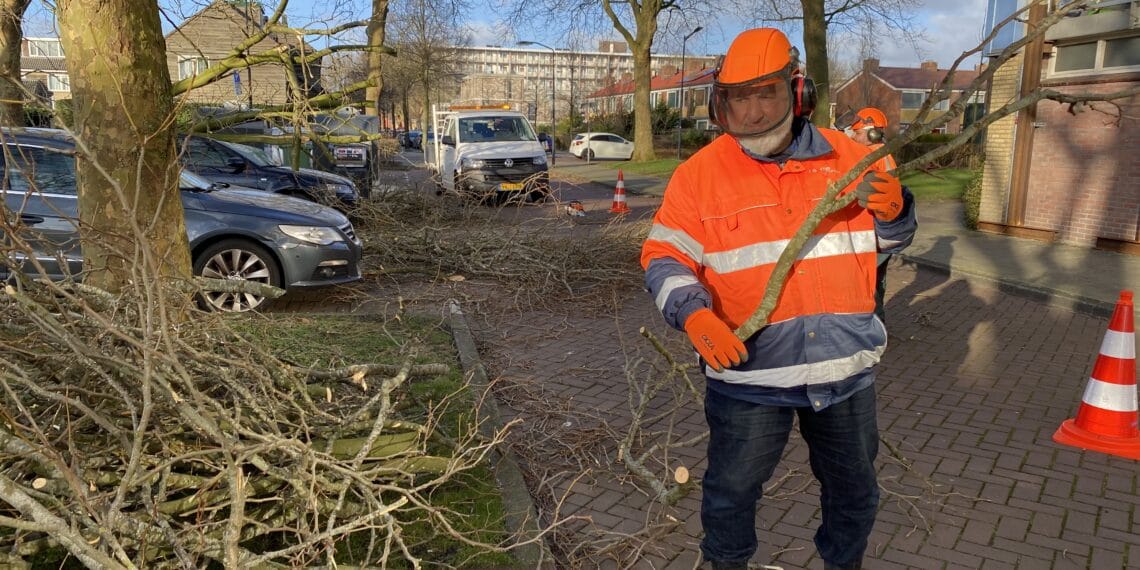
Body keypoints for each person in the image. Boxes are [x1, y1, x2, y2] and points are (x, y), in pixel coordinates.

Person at [640, 28, 916, 570]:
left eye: (765, 93)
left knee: (856, 495)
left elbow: (883, 246)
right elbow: (664, 257)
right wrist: (693, 314)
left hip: (844, 370)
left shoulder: (855, 158)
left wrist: (897, 211)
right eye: (736, 98)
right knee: (730, 496)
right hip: (750, 374)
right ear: (720, 103)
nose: (751, 111)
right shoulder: (698, 177)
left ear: (797, 92)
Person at [845, 107, 897, 322]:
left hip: (873, 231)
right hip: (877, 230)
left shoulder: (873, 157)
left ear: (872, 133)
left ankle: (874, 327)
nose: (853, 137)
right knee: (876, 282)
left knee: (869, 283)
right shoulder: (880, 154)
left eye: (857, 133)